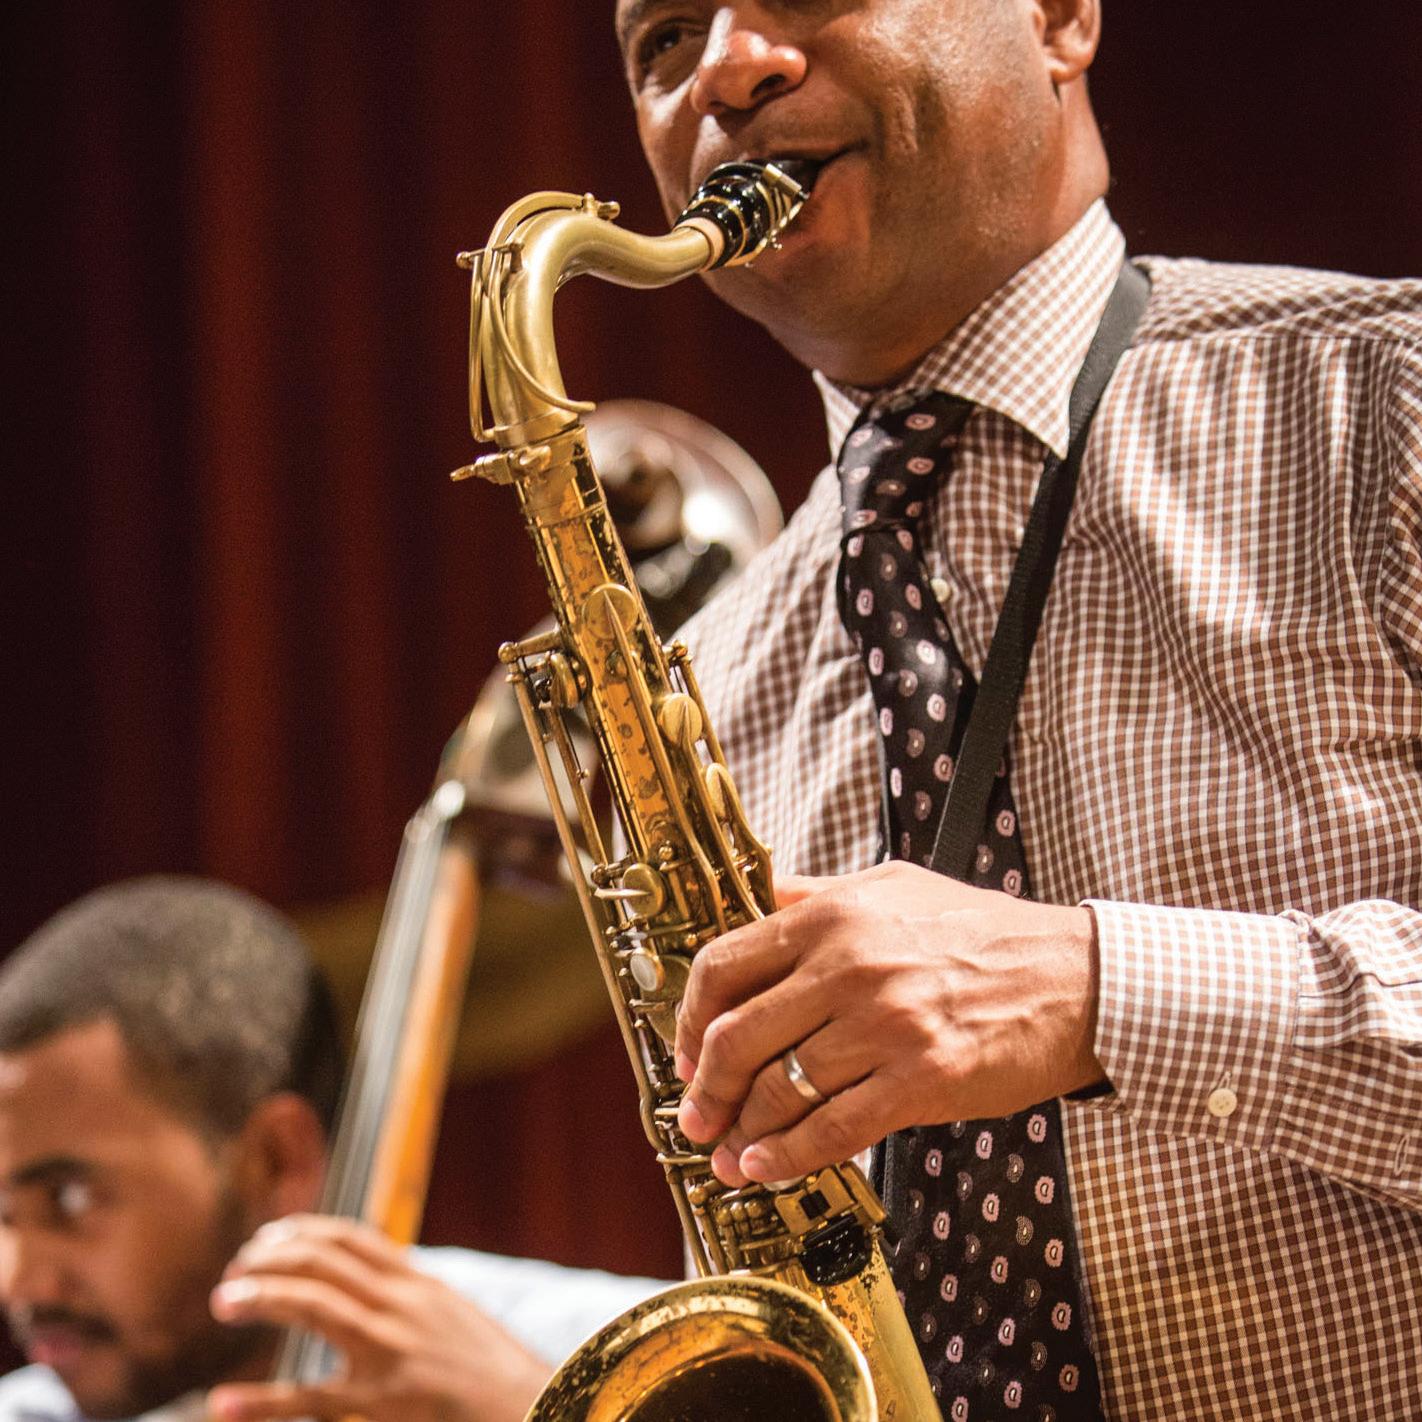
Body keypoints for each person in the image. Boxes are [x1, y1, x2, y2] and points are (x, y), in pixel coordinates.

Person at [609, 1, 1422, 1418]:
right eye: (664, 37)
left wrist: (1100, 992)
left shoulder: (1387, 397)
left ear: (1058, 17)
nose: (725, 68)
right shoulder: (708, 679)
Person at [0, 877, 661, 1422]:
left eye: (70, 1199)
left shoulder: (629, 1354)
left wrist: (535, 1410)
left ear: (275, 1161)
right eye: (2, 1214)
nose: (21, 1283)